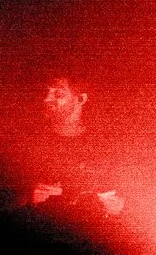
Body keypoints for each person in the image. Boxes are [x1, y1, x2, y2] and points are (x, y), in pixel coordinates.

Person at [27, 75, 124, 223]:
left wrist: (118, 208)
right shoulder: (31, 140)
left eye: (58, 94)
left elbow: (127, 195)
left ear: (81, 99)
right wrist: (28, 196)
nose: (47, 99)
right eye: (46, 93)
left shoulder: (104, 144)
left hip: (91, 236)